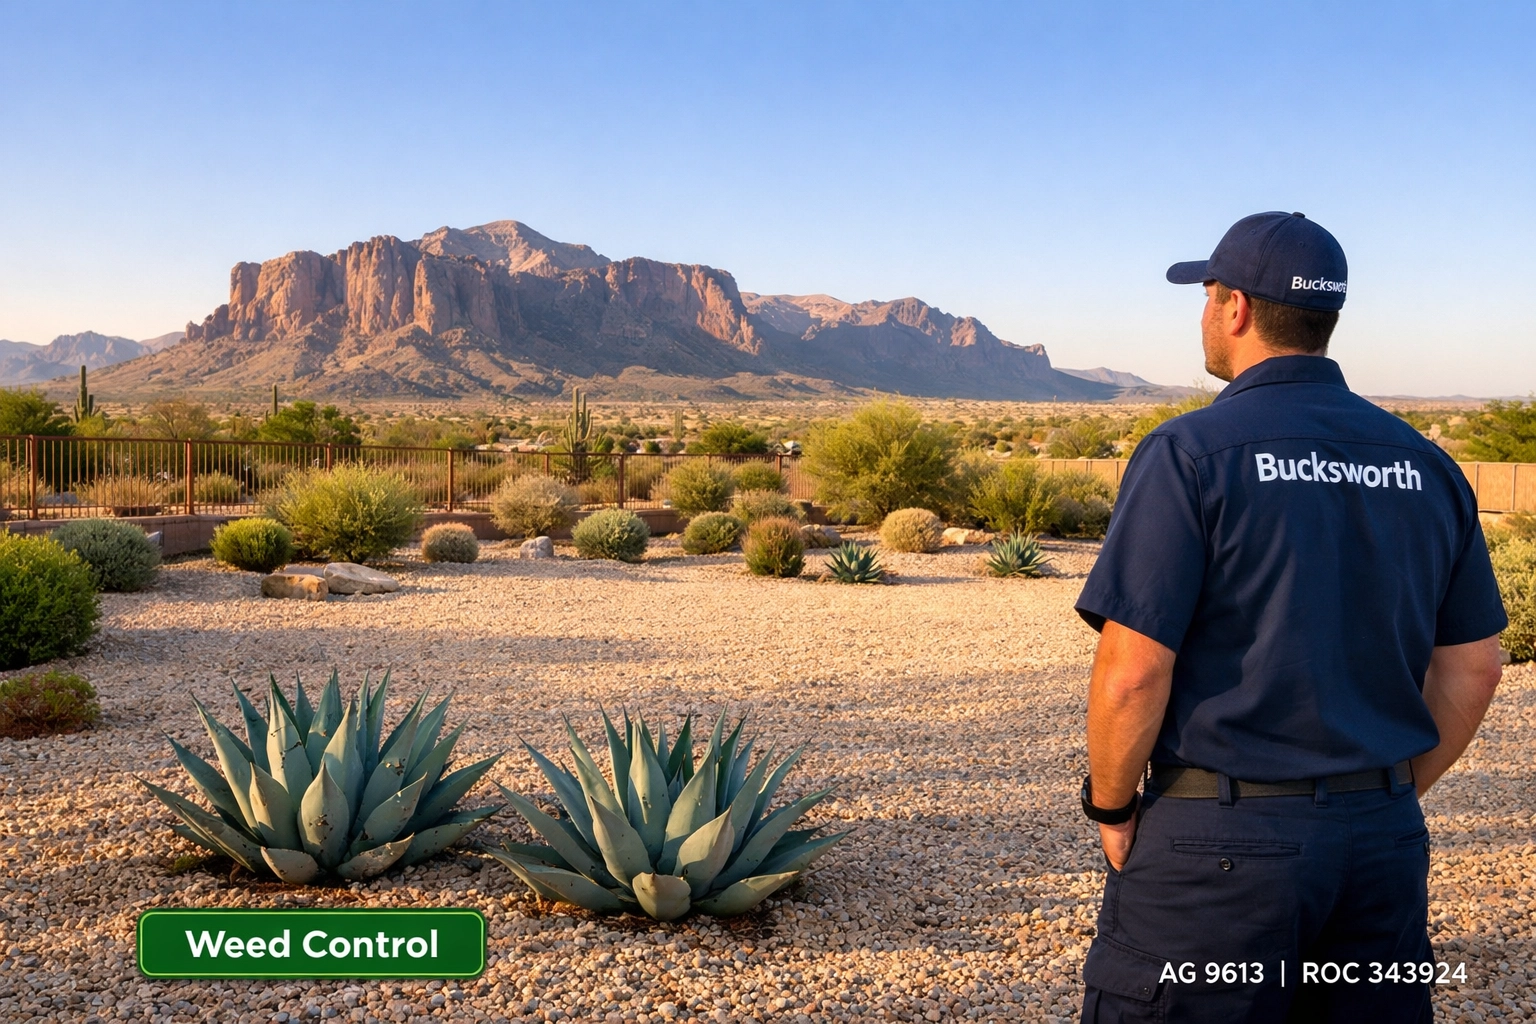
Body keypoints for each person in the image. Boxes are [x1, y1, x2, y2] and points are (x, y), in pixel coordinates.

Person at [1073, 211, 1508, 1022]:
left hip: (1220, 852)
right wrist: (1382, 793)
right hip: (1379, 849)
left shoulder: (1191, 453)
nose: (1203, 314)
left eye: (1205, 295)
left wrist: (1111, 805)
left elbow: (1134, 669)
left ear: (1234, 307)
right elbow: (1475, 666)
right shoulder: (1427, 464)